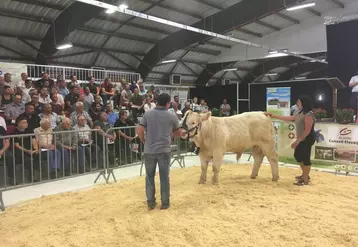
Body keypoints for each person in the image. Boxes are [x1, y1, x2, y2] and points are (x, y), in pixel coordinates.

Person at [136, 93, 182, 210]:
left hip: (149, 150)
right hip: (164, 150)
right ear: (168, 103)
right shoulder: (172, 116)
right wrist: (171, 135)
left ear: (156, 102)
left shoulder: (148, 114)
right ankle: (165, 203)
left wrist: (144, 141)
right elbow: (179, 133)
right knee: (164, 177)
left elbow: (140, 130)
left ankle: (151, 202)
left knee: (149, 176)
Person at [266, 95, 315, 186]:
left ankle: (305, 180)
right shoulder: (301, 112)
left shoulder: (309, 114)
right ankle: (305, 175)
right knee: (298, 156)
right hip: (302, 139)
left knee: (305, 158)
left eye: (299, 102)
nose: (297, 104)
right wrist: (274, 116)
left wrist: (298, 141)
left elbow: (307, 130)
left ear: (304, 103)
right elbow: (291, 118)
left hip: (307, 138)